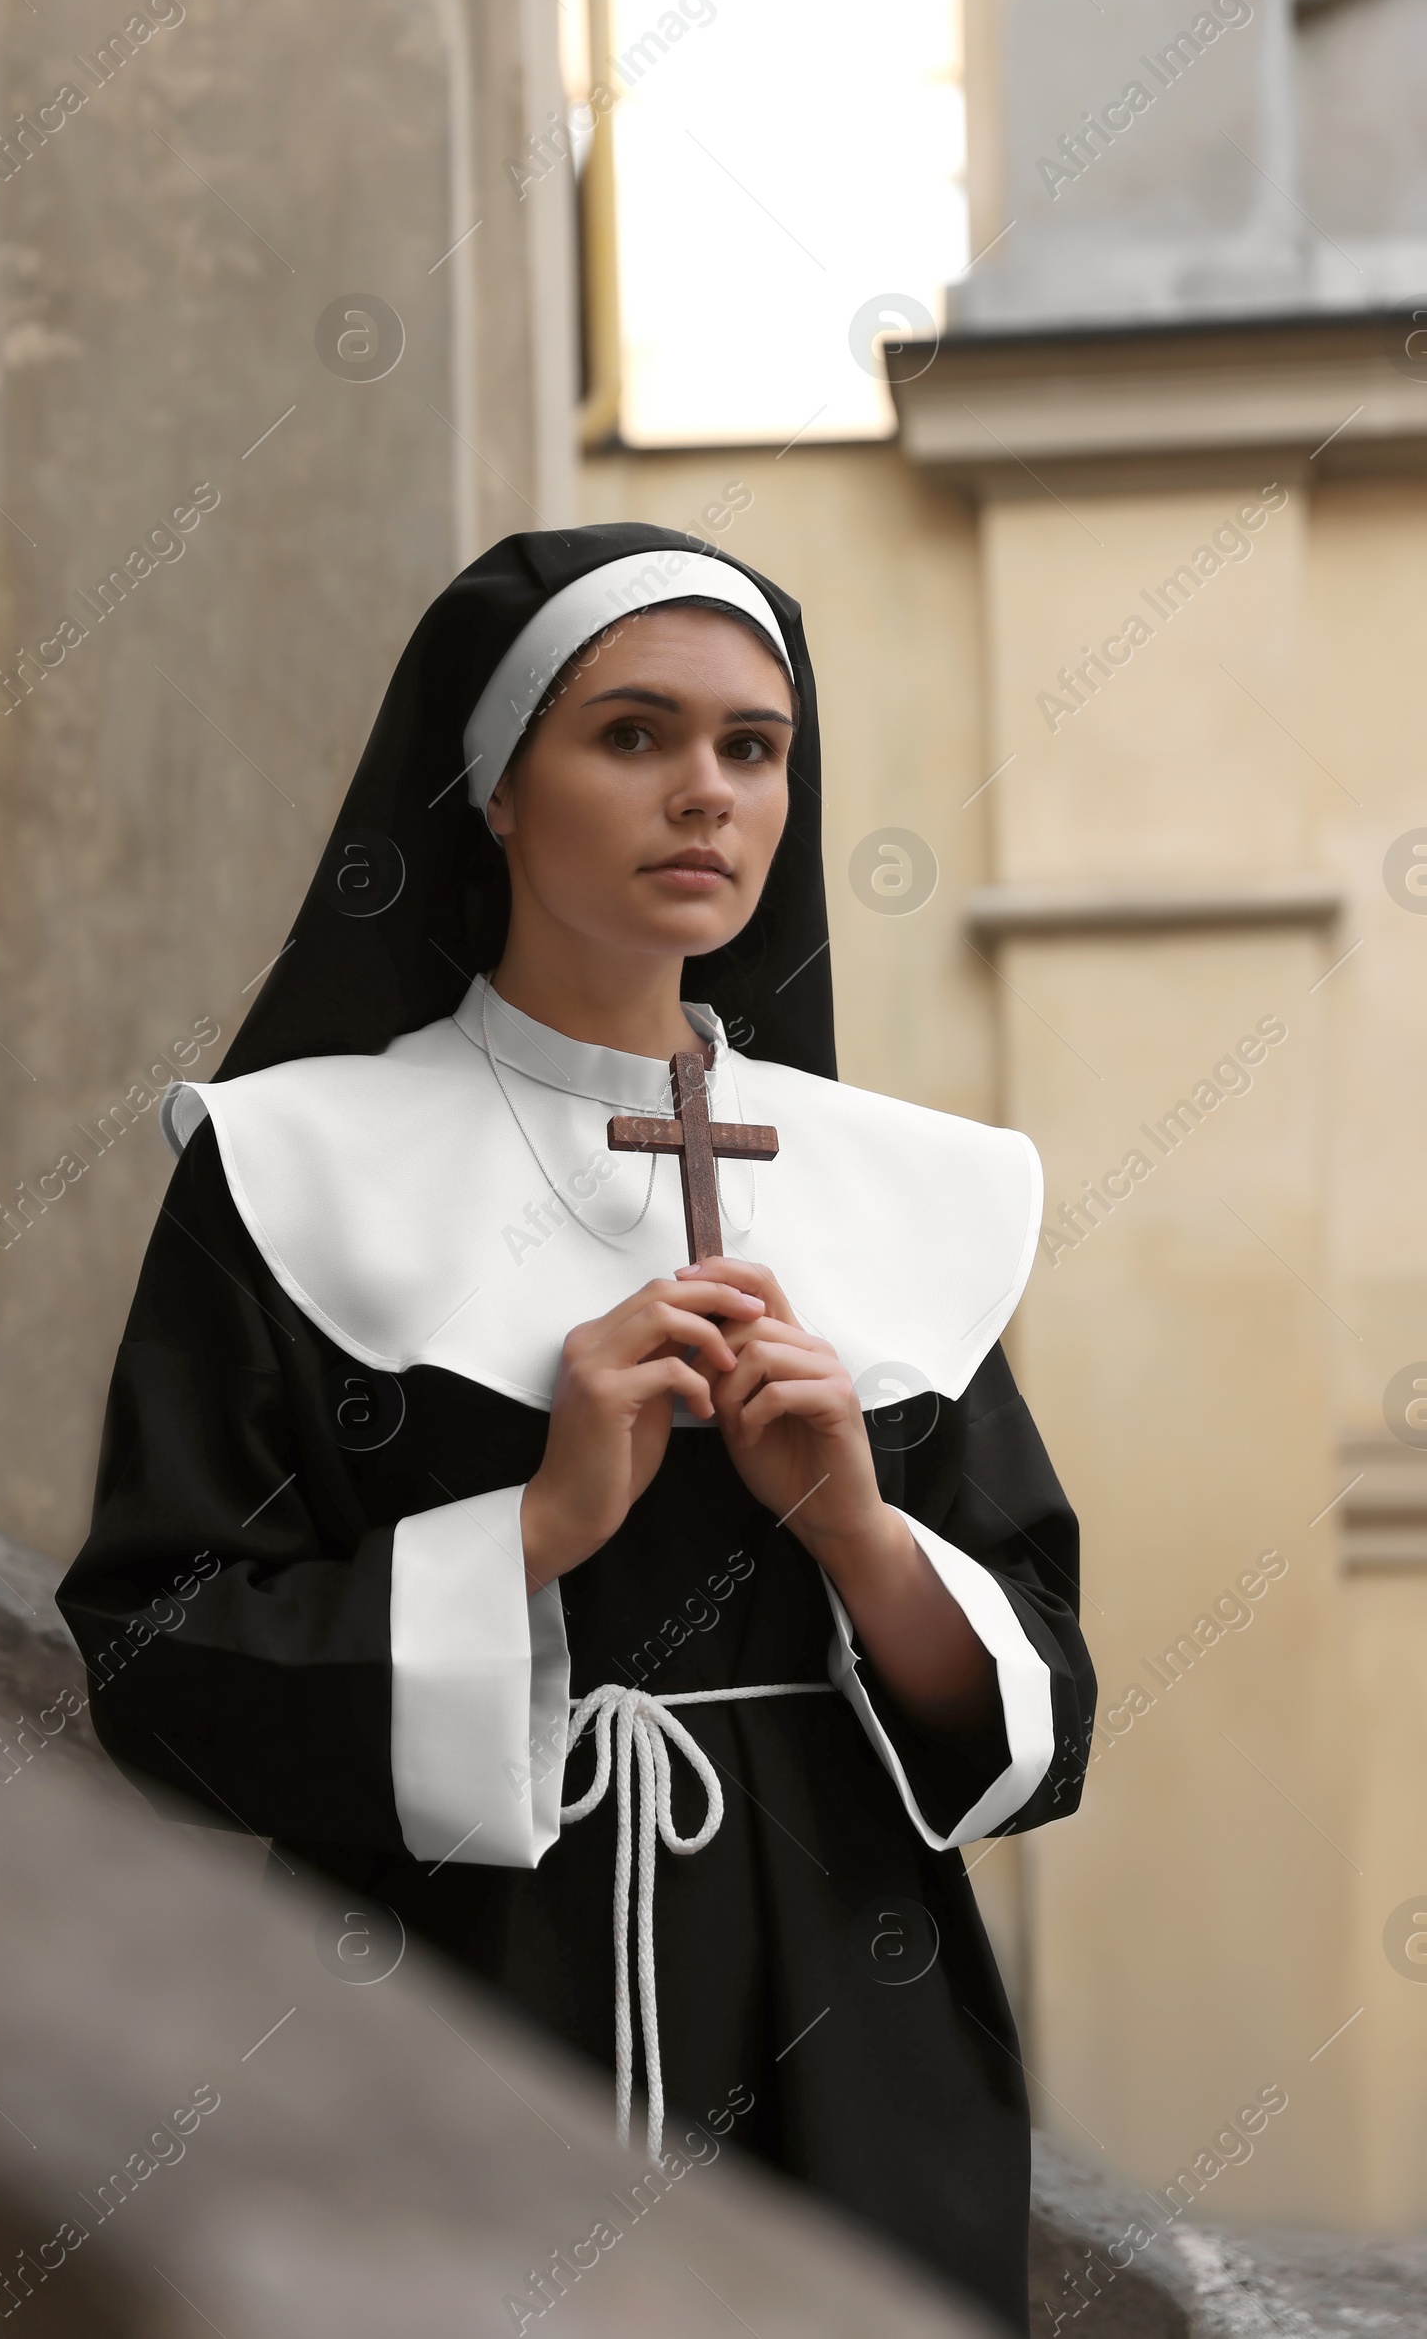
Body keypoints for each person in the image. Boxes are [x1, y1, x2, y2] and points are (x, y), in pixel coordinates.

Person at [57, 524, 1096, 2333]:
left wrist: (854, 1525)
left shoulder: (905, 1190)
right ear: (494, 788)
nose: (706, 793)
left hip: (855, 2024)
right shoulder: (293, 1163)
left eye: (752, 747)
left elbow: (1046, 1712)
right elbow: (159, 1669)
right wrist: (532, 1530)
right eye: (634, 736)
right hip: (439, 2010)